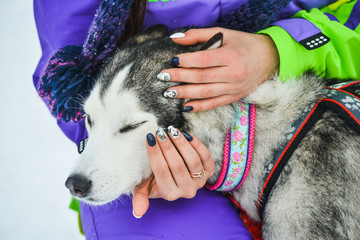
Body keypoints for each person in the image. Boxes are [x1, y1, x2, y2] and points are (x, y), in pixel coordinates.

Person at [33, 0, 360, 239]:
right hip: (156, 177)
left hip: (288, 109)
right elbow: (66, 82)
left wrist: (278, 49)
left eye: (129, 126)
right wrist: (108, 132)